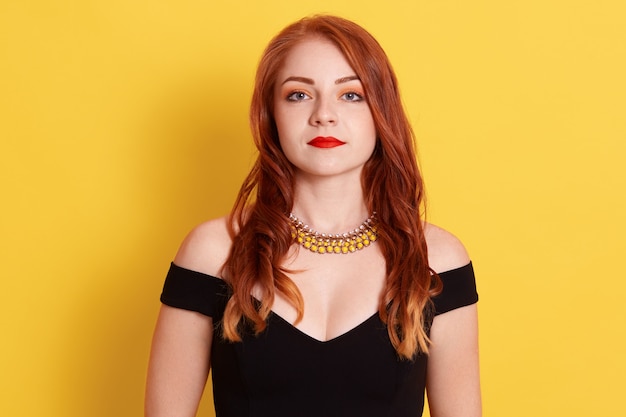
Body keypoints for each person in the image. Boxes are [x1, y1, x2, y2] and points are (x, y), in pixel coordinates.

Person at [145, 14, 481, 417]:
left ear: (381, 112)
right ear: (270, 115)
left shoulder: (436, 259)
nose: (324, 114)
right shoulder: (212, 252)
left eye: (351, 94)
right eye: (298, 95)